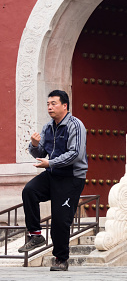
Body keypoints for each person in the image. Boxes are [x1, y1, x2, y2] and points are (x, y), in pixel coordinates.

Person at [18, 90, 88, 271]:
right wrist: (33, 145)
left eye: (54, 103)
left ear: (65, 106)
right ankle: (35, 235)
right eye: (48, 104)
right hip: (52, 174)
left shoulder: (75, 125)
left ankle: (61, 259)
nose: (50, 107)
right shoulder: (48, 127)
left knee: (60, 219)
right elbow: (40, 152)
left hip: (71, 177)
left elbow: (75, 154)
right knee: (29, 191)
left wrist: (50, 162)